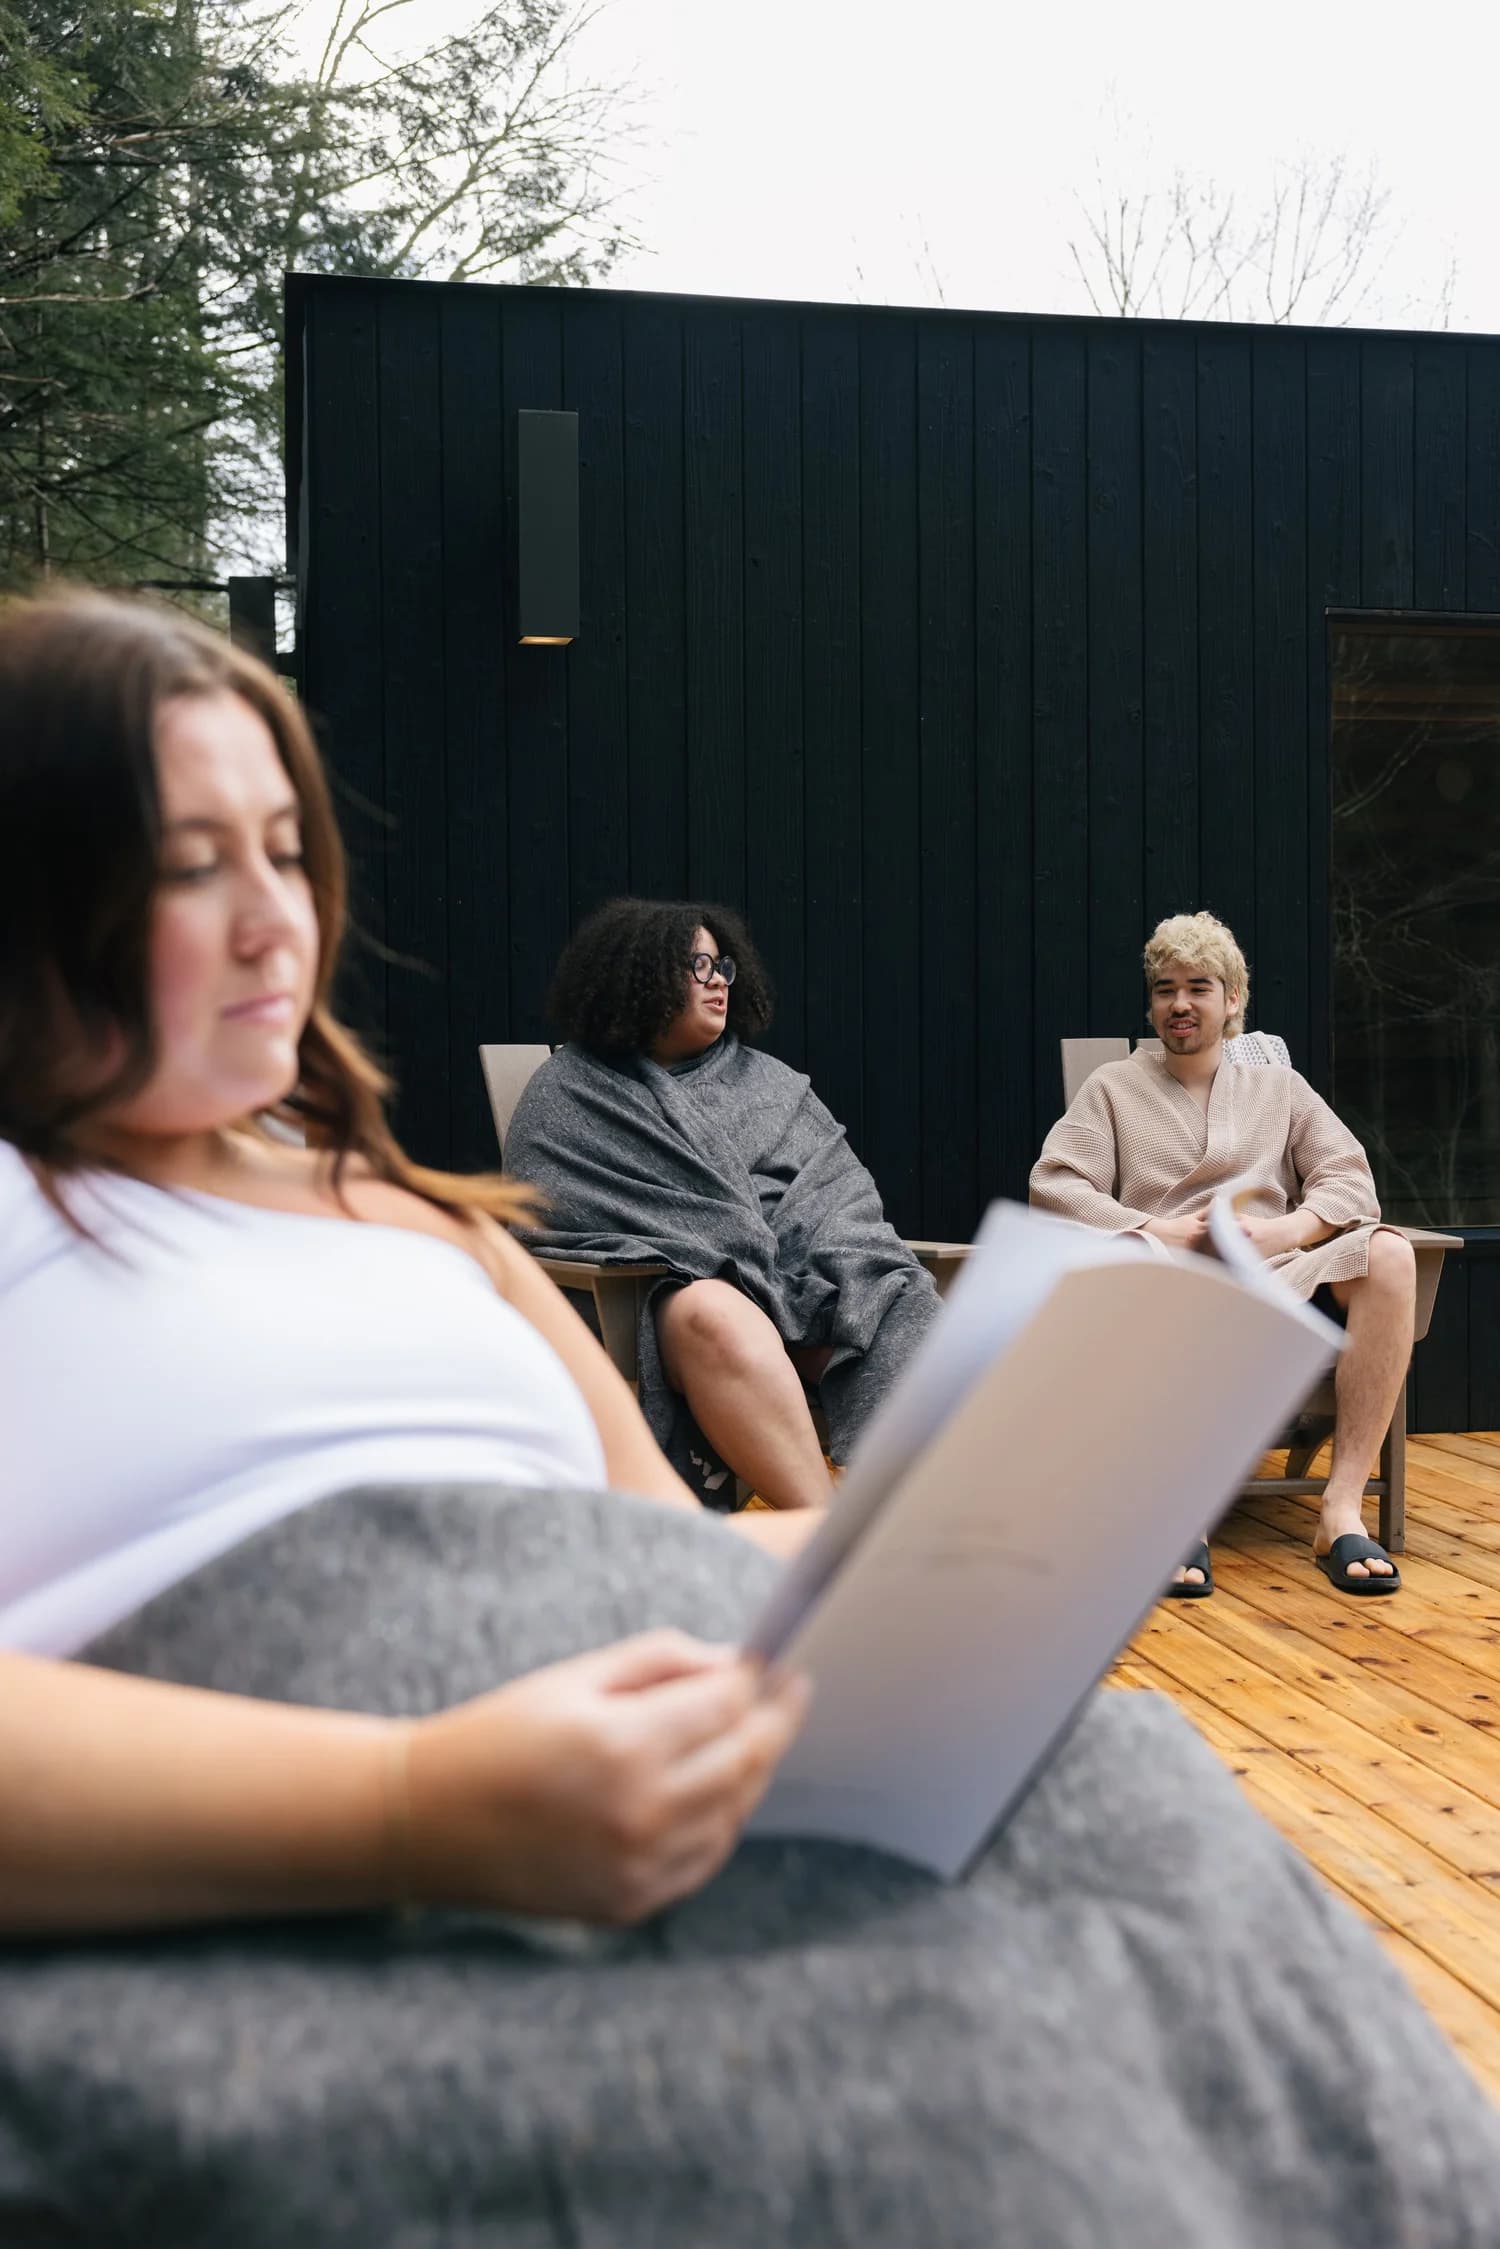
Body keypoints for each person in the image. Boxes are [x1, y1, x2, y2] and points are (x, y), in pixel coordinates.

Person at [3, 595, 1500, 2248]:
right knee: (962, 2082)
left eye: (286, 849)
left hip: (700, 1720)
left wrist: (992, 1541)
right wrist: (422, 1799)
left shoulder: (422, 1221)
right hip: (388, 1797)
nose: (275, 917)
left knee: (1158, 1821)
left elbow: (657, 1534)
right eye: (190, 859)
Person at [502, 897, 941, 1509]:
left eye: (723, 967)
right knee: (719, 1310)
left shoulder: (771, 1085)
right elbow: (547, 1215)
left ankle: (919, 1527)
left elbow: (838, 1197)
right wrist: (720, 1250)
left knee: (895, 1301)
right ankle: (820, 1534)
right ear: (640, 976)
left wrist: (824, 1261)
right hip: (660, 1301)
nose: (718, 982)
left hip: (796, 1285)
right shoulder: (570, 1091)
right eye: (697, 967)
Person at [1030, 911, 1415, 1598]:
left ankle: (1341, 1508)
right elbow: (1056, 1189)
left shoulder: (1279, 1088)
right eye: (1165, 988)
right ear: (1151, 1002)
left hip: (1275, 1273)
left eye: (1198, 987)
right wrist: (1155, 1229)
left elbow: (1349, 1179)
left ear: (1232, 999)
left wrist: (1285, 1231)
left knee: (1390, 1256)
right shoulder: (1113, 1088)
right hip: (1169, 1277)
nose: (1179, 1003)